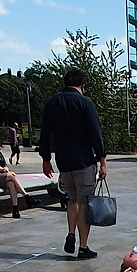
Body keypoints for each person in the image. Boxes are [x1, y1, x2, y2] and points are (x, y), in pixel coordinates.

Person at [39, 67, 107, 261]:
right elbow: (95, 134)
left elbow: (45, 132)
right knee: (85, 204)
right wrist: (102, 160)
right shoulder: (85, 103)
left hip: (64, 162)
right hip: (84, 161)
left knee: (72, 199)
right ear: (82, 85)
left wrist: (45, 158)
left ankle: (71, 232)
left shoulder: (52, 103)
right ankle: (83, 247)